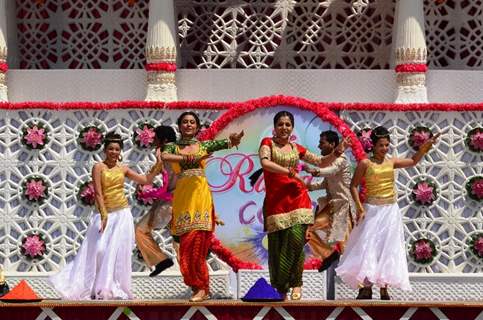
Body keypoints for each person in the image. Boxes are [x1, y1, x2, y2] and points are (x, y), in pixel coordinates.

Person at [50, 132, 164, 300]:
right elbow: (97, 193)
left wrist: (158, 164)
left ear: (120, 151)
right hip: (104, 215)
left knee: (117, 253)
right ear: (105, 150)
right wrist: (104, 215)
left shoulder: (123, 168)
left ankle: (111, 288)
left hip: (122, 214)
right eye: (110, 148)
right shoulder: (98, 167)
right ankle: (92, 287)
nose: (114, 152)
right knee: (99, 250)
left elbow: (145, 180)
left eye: (117, 149)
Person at [335, 126, 440, 300]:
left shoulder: (391, 162)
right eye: (381, 145)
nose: (384, 148)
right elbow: (353, 186)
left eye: (387, 145)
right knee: (368, 246)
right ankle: (366, 287)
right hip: (372, 209)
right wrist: (360, 209)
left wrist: (424, 148)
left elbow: (413, 161)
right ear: (373, 146)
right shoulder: (365, 163)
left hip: (390, 210)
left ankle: (384, 287)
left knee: (387, 247)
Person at [256, 111, 349, 300]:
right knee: (278, 246)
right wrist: (287, 172)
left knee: (297, 241)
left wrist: (336, 152)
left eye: (288, 124)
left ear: (292, 128)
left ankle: (297, 283)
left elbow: (321, 161)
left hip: (298, 197)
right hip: (276, 202)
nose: (284, 128)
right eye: (280, 124)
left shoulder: (296, 148)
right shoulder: (267, 143)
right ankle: (281, 287)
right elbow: (265, 163)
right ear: (274, 127)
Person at [161, 111, 243, 302]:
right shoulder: (172, 147)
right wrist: (186, 159)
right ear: (180, 126)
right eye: (185, 122)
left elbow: (225, 144)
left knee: (197, 244)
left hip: (201, 197)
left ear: (197, 127)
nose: (189, 125)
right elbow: (165, 156)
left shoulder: (203, 145)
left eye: (192, 122)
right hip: (183, 198)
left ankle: (202, 287)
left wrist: (233, 140)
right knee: (184, 247)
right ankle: (195, 284)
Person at [304, 130, 356, 272]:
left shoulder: (341, 160)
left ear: (332, 144)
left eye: (322, 143)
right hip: (331, 206)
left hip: (343, 207)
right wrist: (308, 187)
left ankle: (361, 286)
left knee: (344, 245)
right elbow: (325, 183)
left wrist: (314, 171)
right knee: (311, 232)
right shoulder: (329, 160)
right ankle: (330, 254)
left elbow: (331, 171)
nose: (319, 146)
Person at [135, 126, 177, 277]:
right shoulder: (176, 151)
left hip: (171, 202)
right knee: (179, 242)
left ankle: (161, 261)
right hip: (176, 200)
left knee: (140, 230)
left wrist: (149, 193)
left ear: (163, 140)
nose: (153, 140)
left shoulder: (164, 153)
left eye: (156, 138)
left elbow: (165, 184)